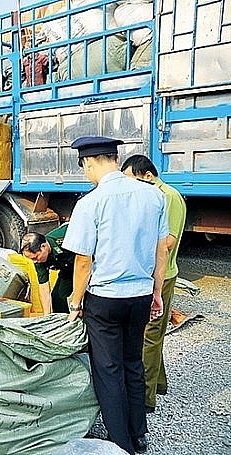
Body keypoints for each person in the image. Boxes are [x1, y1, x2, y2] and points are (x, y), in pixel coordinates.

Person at [63, 136, 169, 455]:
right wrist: (157, 292)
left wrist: (75, 302)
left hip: (105, 299)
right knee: (132, 363)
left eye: (84, 167)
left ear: (91, 162)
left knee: (108, 371)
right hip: (139, 295)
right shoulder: (153, 196)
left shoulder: (91, 202)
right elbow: (161, 249)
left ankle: (121, 444)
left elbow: (83, 260)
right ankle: (139, 435)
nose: (86, 173)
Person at [121, 154, 186, 413]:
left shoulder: (167, 196)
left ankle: (145, 398)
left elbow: (167, 241)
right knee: (152, 332)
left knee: (149, 336)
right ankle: (159, 383)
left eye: (132, 181)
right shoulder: (151, 195)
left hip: (162, 274)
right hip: (150, 274)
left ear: (147, 176)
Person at [20, 223, 73, 315]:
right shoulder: (38, 260)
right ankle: (62, 324)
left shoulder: (65, 239)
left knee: (89, 299)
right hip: (68, 268)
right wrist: (46, 316)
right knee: (58, 297)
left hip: (89, 263)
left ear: (43, 247)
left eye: (35, 257)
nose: (35, 262)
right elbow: (43, 287)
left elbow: (85, 260)